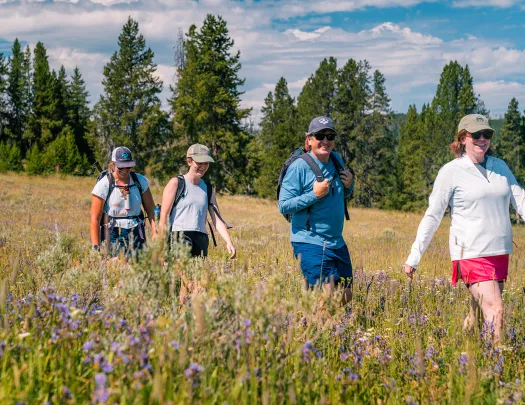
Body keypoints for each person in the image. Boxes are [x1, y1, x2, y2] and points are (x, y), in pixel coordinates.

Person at [403, 114, 525, 342]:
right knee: (496, 310)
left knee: (478, 314)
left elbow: (521, 200)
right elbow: (433, 215)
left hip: (499, 252)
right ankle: (494, 370)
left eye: (486, 134)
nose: (482, 139)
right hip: (470, 253)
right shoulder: (451, 171)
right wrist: (414, 255)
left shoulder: (500, 167)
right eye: (475, 135)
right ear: (462, 139)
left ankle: (459, 345)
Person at [278, 116, 354, 305]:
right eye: (320, 136)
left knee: (346, 294)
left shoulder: (336, 160)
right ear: (309, 140)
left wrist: (350, 186)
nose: (326, 141)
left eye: (330, 136)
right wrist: (314, 195)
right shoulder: (299, 167)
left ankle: (320, 323)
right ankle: (315, 330)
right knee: (326, 295)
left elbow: (340, 193)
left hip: (336, 241)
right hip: (309, 241)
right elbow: (284, 205)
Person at [158, 144, 236, 259]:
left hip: (201, 238)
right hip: (179, 236)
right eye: (199, 163)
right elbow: (163, 217)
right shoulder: (176, 183)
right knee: (181, 275)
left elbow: (217, 219)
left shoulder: (208, 188)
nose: (203, 167)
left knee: (197, 276)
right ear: (189, 161)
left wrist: (229, 242)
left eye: (206, 163)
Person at [90, 146, 157, 257]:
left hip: (137, 232)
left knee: (138, 268)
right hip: (112, 234)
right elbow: (94, 218)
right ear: (113, 164)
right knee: (115, 269)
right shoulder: (104, 185)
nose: (125, 170)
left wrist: (155, 231)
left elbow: (151, 211)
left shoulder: (140, 181)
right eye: (121, 167)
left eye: (128, 166)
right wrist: (96, 247)